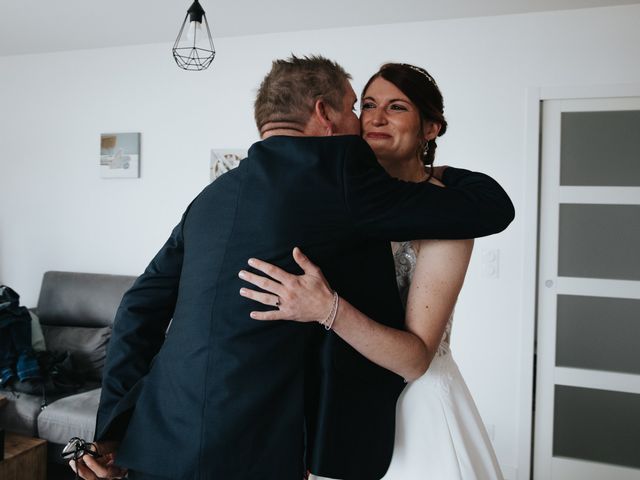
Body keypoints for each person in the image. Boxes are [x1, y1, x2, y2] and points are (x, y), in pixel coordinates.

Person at [72, 56, 513, 480]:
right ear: (325, 113)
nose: (367, 122)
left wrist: (113, 430)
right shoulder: (340, 177)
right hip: (253, 447)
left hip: (162, 438)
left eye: (394, 107)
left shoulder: (212, 197)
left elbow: (138, 308)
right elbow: (492, 206)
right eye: (360, 107)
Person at [239, 63, 505, 479]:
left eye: (396, 107)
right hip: (329, 412)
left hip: (412, 411)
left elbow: (415, 360)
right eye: (366, 105)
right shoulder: (333, 194)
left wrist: (326, 309)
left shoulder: (449, 213)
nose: (375, 118)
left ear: (430, 128)